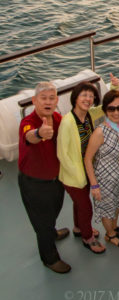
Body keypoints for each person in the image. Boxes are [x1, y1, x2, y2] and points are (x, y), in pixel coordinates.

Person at [18, 82, 70, 273]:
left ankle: (52, 231)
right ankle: (50, 258)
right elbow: (29, 136)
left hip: (56, 180)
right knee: (42, 223)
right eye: (43, 98)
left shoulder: (57, 117)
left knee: (53, 211)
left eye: (51, 98)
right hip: (34, 184)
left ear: (56, 100)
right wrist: (39, 133)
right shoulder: (28, 123)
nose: (48, 102)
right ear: (34, 101)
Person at [57, 81, 106, 254]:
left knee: (79, 203)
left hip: (86, 170)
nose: (88, 99)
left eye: (91, 96)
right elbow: (62, 154)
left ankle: (78, 228)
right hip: (73, 175)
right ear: (75, 98)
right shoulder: (68, 122)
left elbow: (105, 107)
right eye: (84, 95)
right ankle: (88, 237)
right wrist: (79, 177)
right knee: (86, 206)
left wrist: (116, 88)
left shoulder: (89, 115)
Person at [84, 90, 119, 247]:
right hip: (104, 179)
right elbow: (88, 159)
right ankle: (110, 234)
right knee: (107, 208)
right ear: (105, 110)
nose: (116, 112)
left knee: (117, 204)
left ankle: (114, 226)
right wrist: (94, 185)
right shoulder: (100, 132)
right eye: (111, 109)